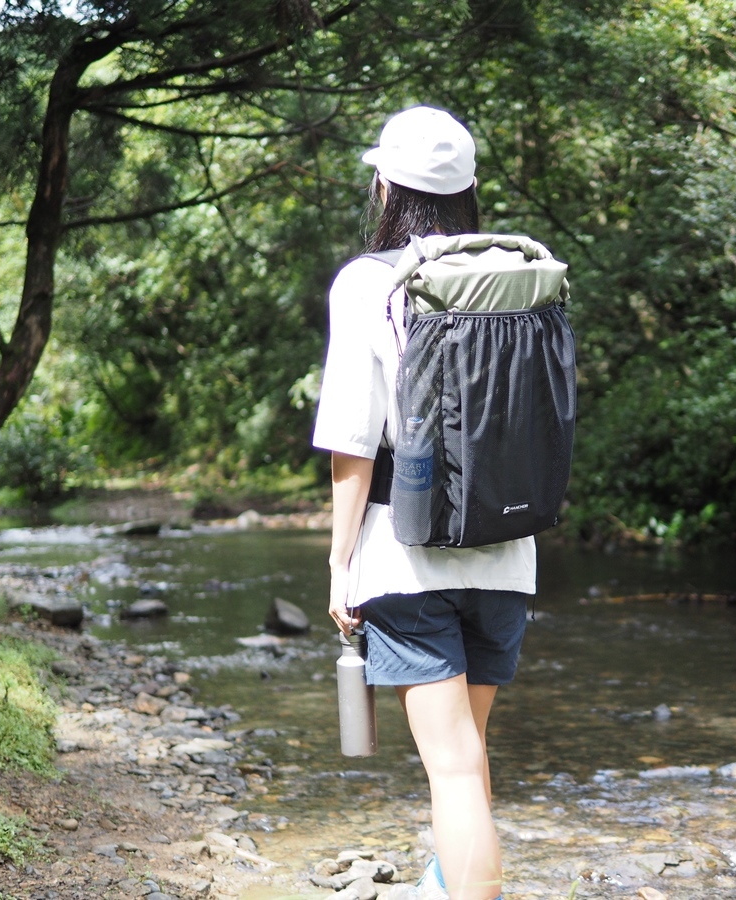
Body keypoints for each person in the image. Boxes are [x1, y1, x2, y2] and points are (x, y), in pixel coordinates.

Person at [312, 106, 537, 900]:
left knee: (451, 766)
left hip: (404, 555)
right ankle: (444, 884)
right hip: (508, 553)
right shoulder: (521, 269)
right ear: (470, 189)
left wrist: (340, 565)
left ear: (386, 186)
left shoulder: (370, 283)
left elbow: (351, 441)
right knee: (468, 759)